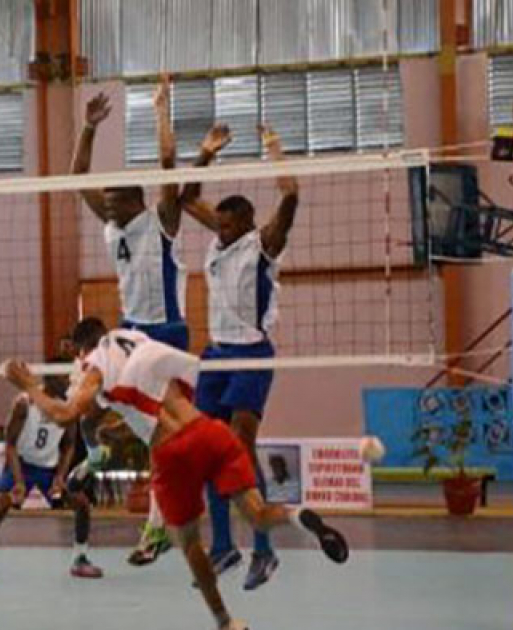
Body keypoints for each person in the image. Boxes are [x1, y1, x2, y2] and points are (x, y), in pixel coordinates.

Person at [3, 319, 348, 630]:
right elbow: (148, 398)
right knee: (258, 514)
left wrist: (28, 385)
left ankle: (226, 622)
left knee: (191, 544)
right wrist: (119, 431)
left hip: (172, 455)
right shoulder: (135, 338)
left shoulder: (95, 365)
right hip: (207, 430)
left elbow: (65, 414)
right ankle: (300, 516)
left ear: (82, 350)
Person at [73, 77, 231, 564]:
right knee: (104, 403)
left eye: (113, 200)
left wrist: (163, 108)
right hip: (128, 332)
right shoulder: (113, 226)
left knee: (165, 436)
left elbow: (167, 168)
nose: (106, 206)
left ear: (132, 201)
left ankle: (161, 523)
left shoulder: (159, 220)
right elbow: (77, 177)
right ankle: (105, 452)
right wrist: (88, 128)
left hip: (164, 333)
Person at [177, 123, 299, 589]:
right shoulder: (219, 237)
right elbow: (189, 199)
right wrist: (205, 152)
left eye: (229, 226)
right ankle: (225, 546)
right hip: (215, 354)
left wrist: (275, 149)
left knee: (240, 444)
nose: (222, 232)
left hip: (251, 353)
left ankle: (264, 551)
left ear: (247, 224)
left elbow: (289, 200)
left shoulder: (262, 244)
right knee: (207, 449)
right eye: (219, 226)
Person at [0, 373, 102, 583]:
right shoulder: (24, 404)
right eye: (64, 379)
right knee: (1, 505)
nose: (68, 383)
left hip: (48, 468)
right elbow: (10, 444)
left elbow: (69, 445)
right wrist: (18, 481)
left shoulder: (69, 407)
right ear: (49, 381)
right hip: (22, 464)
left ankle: (80, 558)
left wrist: (60, 476)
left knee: (81, 502)